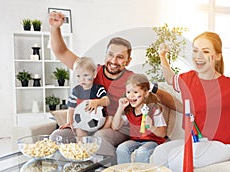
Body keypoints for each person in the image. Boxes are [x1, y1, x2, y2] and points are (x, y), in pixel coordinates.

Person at [48, 12, 182, 156]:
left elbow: (160, 94)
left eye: (120, 57)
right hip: (86, 123)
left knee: (100, 137)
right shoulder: (91, 71)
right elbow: (61, 52)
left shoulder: (132, 79)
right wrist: (55, 28)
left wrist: (188, 110)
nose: (113, 60)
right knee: (57, 136)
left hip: (115, 127)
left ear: (128, 61)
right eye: (110, 55)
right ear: (105, 54)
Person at [151, 31, 230, 172]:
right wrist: (162, 55)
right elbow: (170, 78)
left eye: (205, 51)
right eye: (195, 51)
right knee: (159, 153)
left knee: (180, 159)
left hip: (220, 146)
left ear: (217, 56)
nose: (198, 56)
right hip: (196, 142)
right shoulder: (188, 79)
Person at [112, 74, 167, 163]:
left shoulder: (153, 110)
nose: (131, 96)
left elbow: (163, 134)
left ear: (146, 93)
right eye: (128, 92)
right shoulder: (128, 110)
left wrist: (151, 127)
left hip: (153, 141)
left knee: (142, 152)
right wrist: (120, 108)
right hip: (135, 141)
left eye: (135, 92)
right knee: (121, 149)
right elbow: (115, 127)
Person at [50, 57, 110, 139]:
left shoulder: (98, 89)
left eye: (85, 75)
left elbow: (107, 101)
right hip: (81, 123)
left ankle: (94, 144)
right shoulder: (76, 91)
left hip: (98, 122)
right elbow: (71, 108)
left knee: (101, 133)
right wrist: (69, 122)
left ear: (94, 74)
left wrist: (97, 102)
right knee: (79, 132)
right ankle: (82, 148)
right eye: (78, 76)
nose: (82, 79)